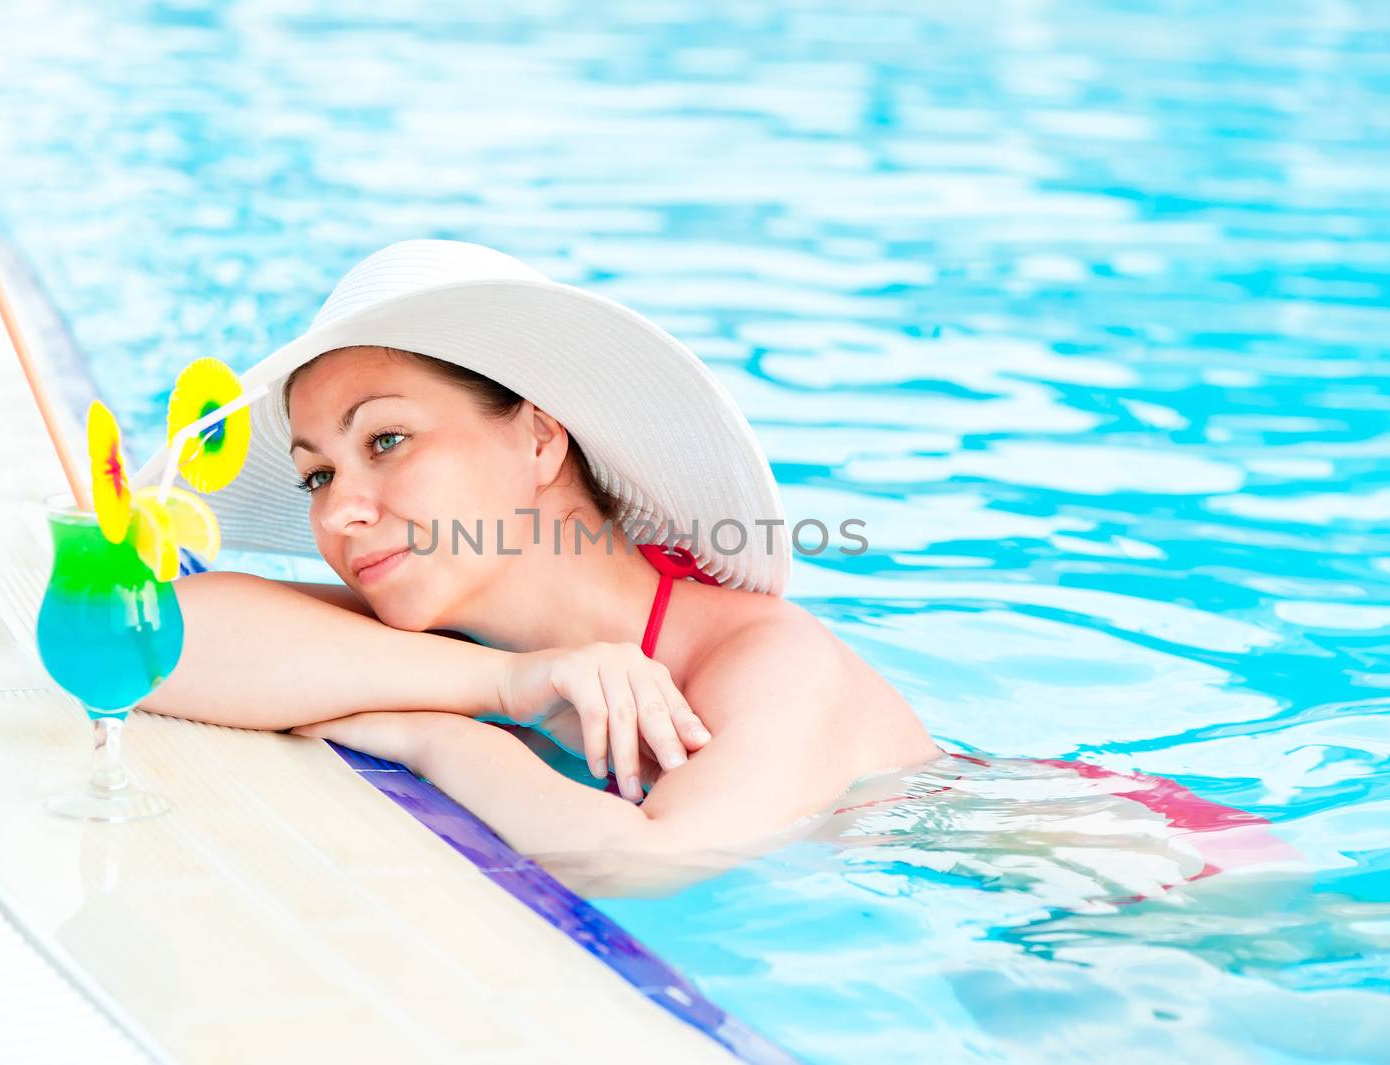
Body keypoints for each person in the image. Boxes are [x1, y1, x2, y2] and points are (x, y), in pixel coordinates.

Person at [136, 239, 941, 889]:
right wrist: (507, 686)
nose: (339, 510)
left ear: (539, 439)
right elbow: (156, 637)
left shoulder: (768, 658)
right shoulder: (469, 646)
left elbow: (648, 860)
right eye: (319, 474)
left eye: (386, 439)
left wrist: (438, 739)